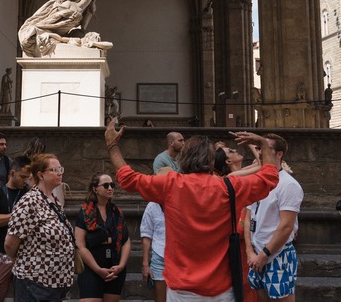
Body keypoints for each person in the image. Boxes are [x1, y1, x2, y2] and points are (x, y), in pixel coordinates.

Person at [105, 120, 280, 299]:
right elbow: (270, 177)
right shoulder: (230, 187)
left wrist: (112, 145)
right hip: (220, 289)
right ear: (211, 160)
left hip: (181, 289)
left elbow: (128, 178)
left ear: (185, 158)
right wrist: (264, 145)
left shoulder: (170, 185)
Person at [5, 153, 75, 301]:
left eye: (60, 169)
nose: (59, 173)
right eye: (54, 170)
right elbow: (10, 244)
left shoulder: (52, 199)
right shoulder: (30, 201)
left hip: (55, 284)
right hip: (35, 284)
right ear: (41, 175)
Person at [244, 133, 303, 302]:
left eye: (265, 148)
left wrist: (263, 255)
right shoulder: (257, 180)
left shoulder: (288, 184)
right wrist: (249, 251)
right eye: (259, 148)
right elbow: (248, 217)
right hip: (256, 252)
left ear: (279, 154)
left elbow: (286, 226)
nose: (261, 152)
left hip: (277, 254)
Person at [214, 144, 261, 302]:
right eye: (231, 151)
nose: (235, 150)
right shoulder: (230, 179)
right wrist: (252, 144)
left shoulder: (242, 173)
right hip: (238, 237)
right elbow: (263, 164)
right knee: (243, 282)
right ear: (227, 161)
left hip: (250, 237)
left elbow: (261, 165)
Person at [75, 173, 131, 302]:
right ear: (95, 189)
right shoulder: (85, 212)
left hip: (114, 268)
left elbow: (126, 241)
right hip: (91, 268)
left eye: (112, 185)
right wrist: (98, 269)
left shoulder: (116, 212)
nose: (110, 188)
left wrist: (121, 266)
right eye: (106, 185)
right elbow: (80, 245)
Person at [0, 156, 32, 302]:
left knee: (25, 296)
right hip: (0, 252)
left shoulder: (30, 195)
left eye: (28, 177)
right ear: (12, 173)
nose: (25, 180)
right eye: (23, 176)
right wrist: (19, 215)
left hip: (25, 253)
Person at [140, 171, 167, 302]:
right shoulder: (152, 206)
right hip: (159, 256)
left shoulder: (180, 203)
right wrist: (145, 264)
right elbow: (146, 234)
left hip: (179, 258)